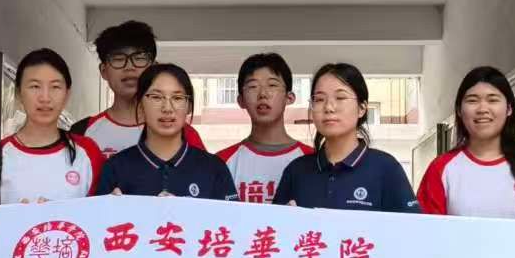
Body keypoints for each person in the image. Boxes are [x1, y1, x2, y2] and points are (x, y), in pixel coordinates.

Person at [273, 62, 418, 212]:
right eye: (319, 99)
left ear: (362, 108)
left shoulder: (386, 168)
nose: (329, 107)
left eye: (340, 97)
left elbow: (412, 225)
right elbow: (272, 224)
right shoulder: (296, 171)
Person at [0, 48, 104, 205]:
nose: (45, 98)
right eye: (34, 86)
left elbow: (102, 214)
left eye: (55, 87)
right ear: (19, 94)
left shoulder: (87, 152)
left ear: (67, 95)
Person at [92, 63, 236, 200]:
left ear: (189, 107)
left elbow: (232, 217)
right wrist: (111, 208)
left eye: (177, 98)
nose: (167, 108)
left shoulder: (213, 168)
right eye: (156, 97)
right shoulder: (116, 168)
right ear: (140, 105)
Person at [418, 66, 515, 218]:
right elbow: (426, 229)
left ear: (509, 109)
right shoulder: (440, 169)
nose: (482, 109)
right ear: (459, 110)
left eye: (492, 100)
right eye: (472, 100)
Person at [71, 20, 204, 159]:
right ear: (104, 71)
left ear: (153, 68)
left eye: (139, 58)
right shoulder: (82, 131)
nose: (129, 67)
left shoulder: (182, 133)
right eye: (118, 59)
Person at [217, 52, 312, 203]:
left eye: (272, 85)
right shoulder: (221, 163)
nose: (263, 94)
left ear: (289, 97)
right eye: (253, 86)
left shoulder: (312, 160)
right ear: (241, 100)